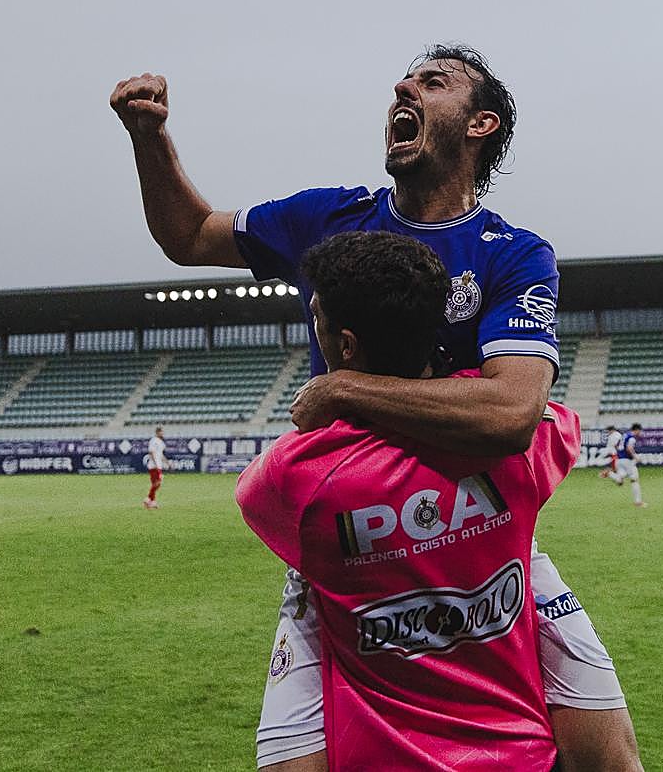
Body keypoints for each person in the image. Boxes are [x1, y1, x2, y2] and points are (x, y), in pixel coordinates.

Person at [111, 43, 642, 771]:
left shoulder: (512, 254)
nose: (404, 84)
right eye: (406, 78)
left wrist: (341, 389)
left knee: (610, 756)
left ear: (480, 124)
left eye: (433, 82)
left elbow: (513, 412)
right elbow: (190, 235)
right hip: (352, 543)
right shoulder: (329, 217)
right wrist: (150, 138)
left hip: (487, 540)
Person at [238, 230, 580, 770]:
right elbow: (546, 419)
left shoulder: (293, 478)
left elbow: (257, 498)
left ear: (345, 346)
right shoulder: (528, 445)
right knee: (611, 748)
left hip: (377, 758)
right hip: (521, 756)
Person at [607, 424, 646, 506]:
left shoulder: (624, 435)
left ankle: (610, 474)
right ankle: (638, 502)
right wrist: (635, 457)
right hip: (627, 461)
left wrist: (620, 453)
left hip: (619, 460)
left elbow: (616, 445)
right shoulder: (631, 437)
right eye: (640, 431)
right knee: (634, 479)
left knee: (622, 476)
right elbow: (629, 448)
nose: (640, 433)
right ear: (637, 430)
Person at [144, 426, 166, 509]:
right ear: (157, 432)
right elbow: (151, 452)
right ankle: (148, 499)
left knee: (156, 484)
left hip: (158, 465)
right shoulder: (153, 440)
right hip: (154, 466)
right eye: (161, 432)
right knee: (157, 483)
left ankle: (152, 501)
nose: (162, 433)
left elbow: (161, 454)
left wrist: (167, 462)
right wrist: (155, 463)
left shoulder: (161, 442)